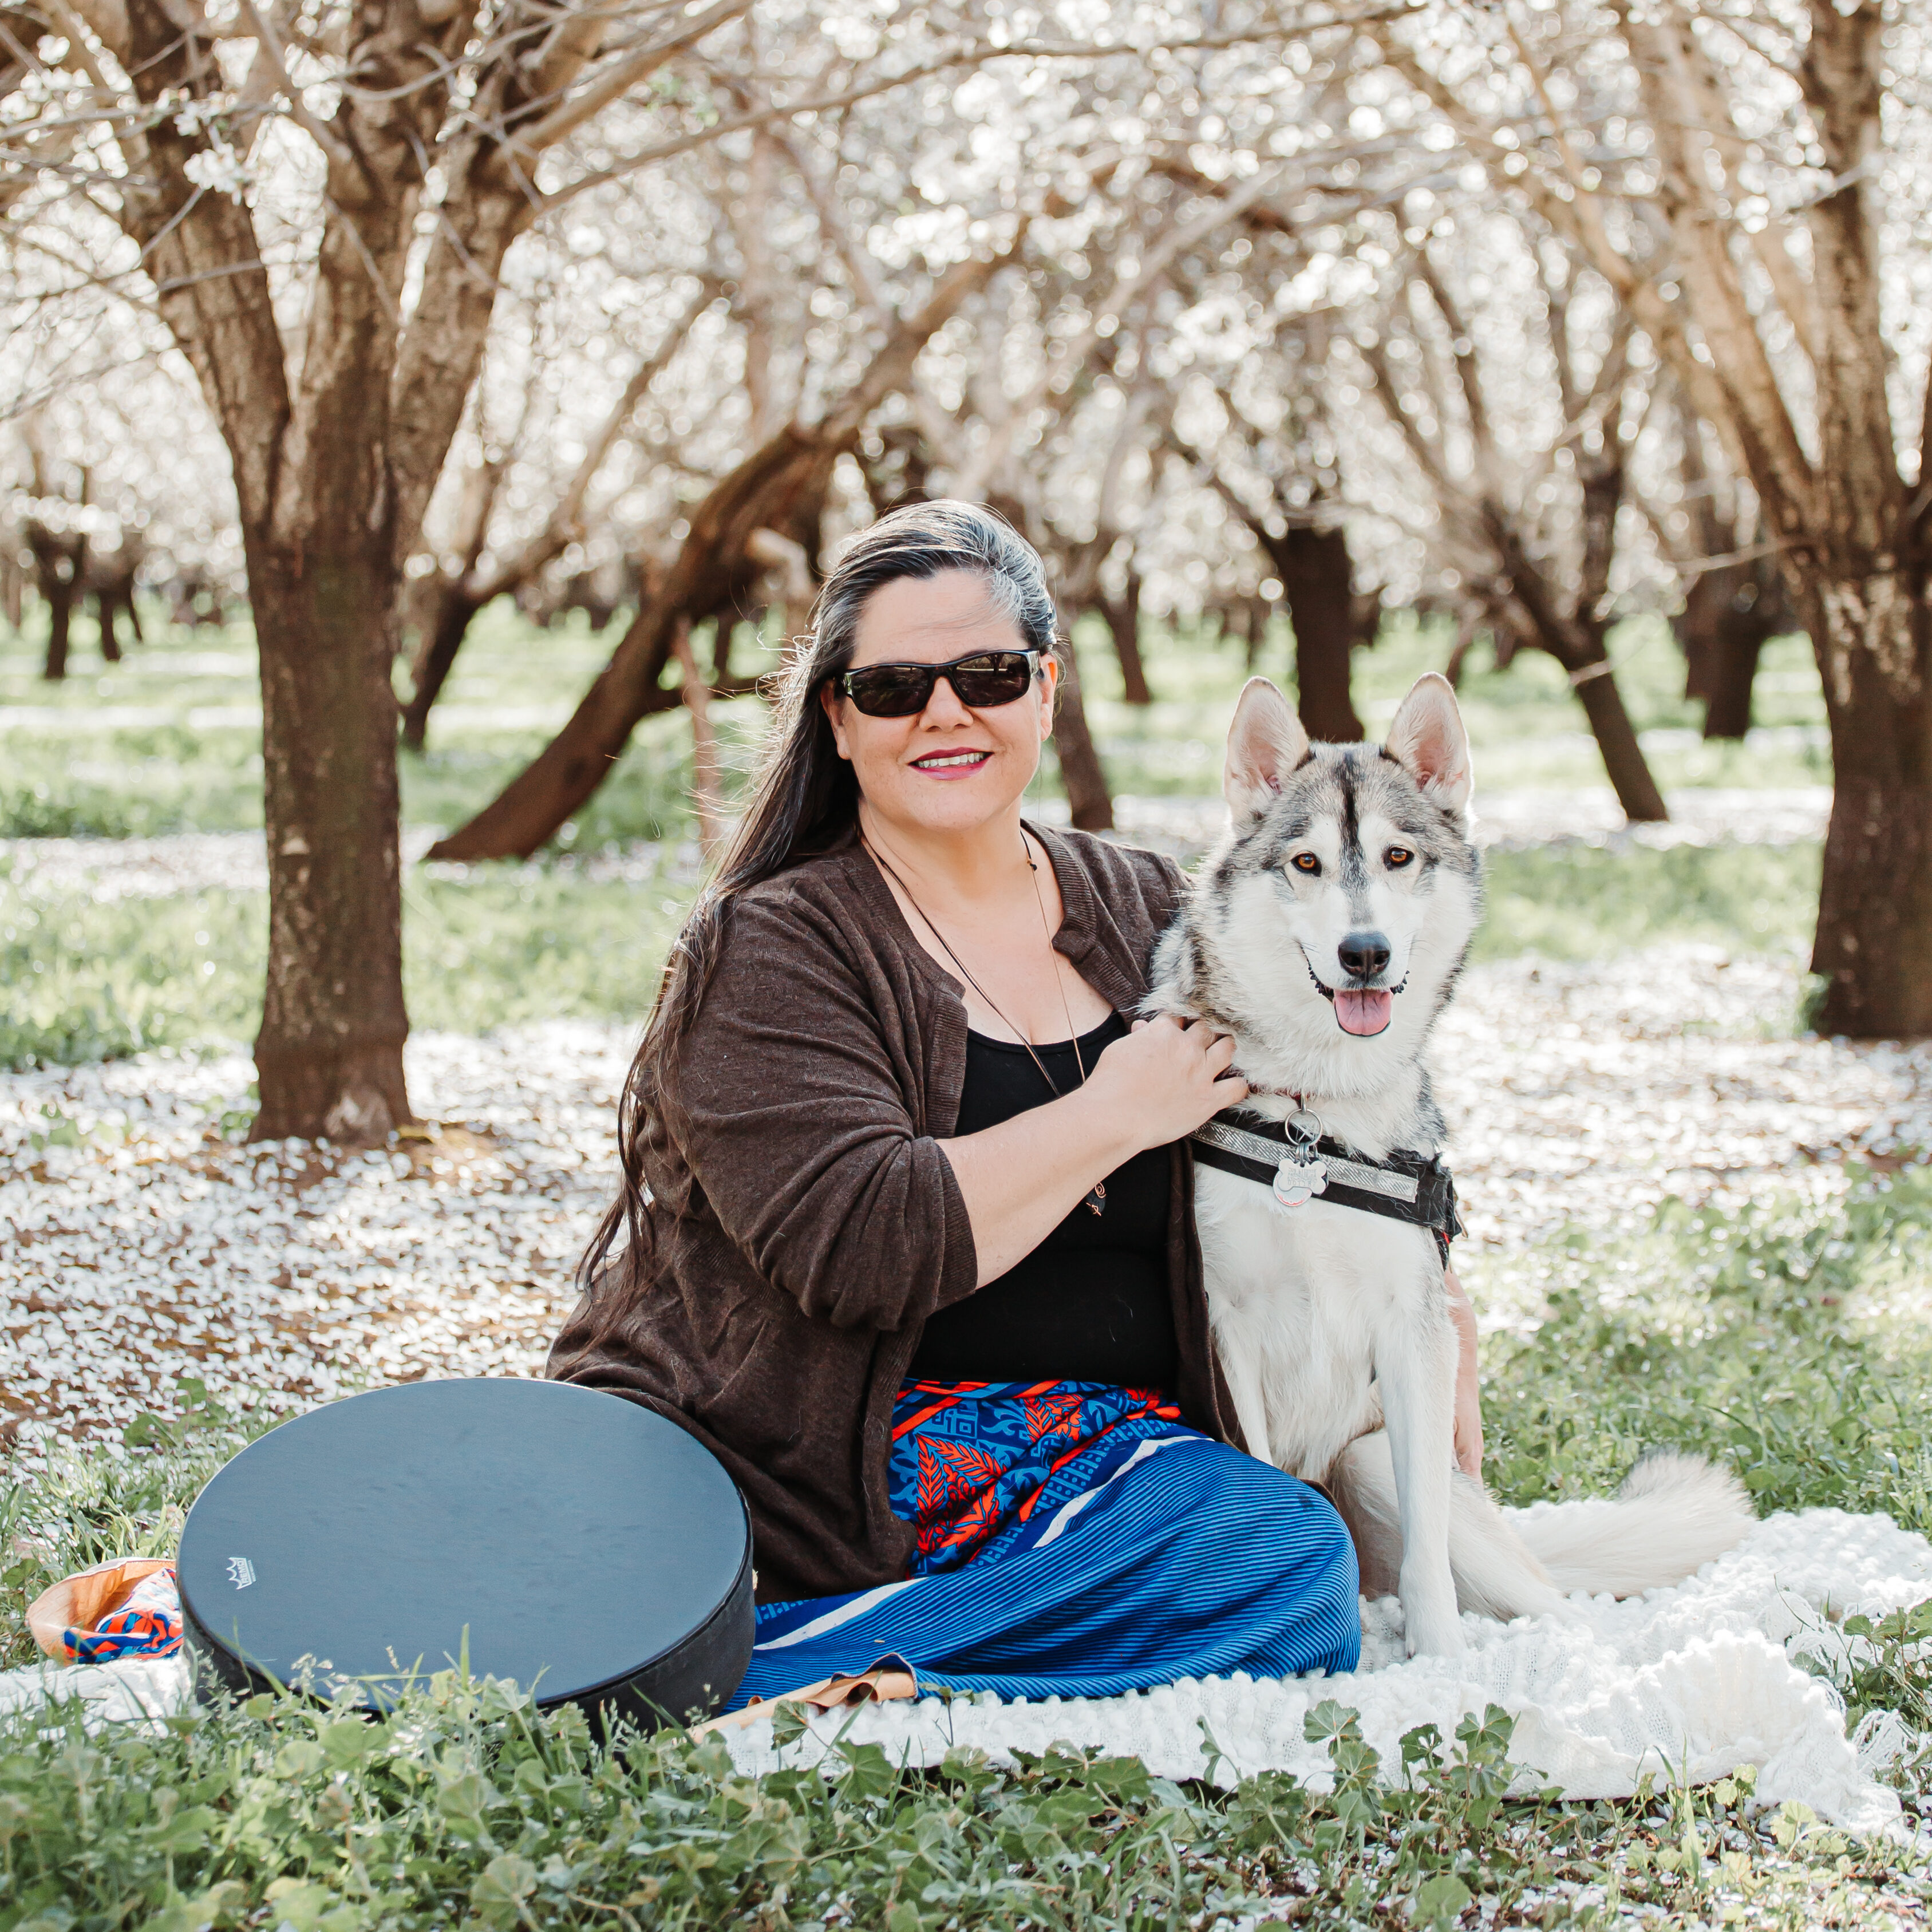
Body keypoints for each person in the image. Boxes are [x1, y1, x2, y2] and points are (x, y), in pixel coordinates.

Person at [549, 499, 1483, 1708]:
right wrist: (1111, 1111)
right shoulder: (769, 947)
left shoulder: (1140, 903)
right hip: (821, 1460)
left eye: (986, 674)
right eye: (892, 687)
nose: (945, 711)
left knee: (1282, 1557)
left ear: (1044, 690)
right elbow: (863, 1246)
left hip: (1108, 1453)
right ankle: (733, 1659)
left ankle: (866, 1646)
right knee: (1287, 1565)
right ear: (836, 718)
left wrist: (1437, 1296)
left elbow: (1341, 1091)